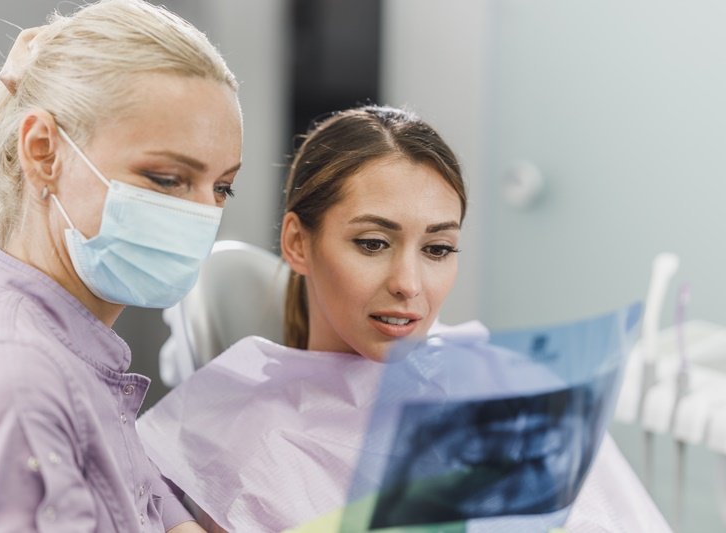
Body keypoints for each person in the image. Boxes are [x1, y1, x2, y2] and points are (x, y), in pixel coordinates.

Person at [137, 106, 673, 533]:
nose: (409, 284)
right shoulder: (243, 439)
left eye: (438, 249)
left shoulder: (512, 389)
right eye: (373, 243)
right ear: (298, 243)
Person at [0, 1, 242, 531]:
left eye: (223, 187)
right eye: (167, 180)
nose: (200, 215)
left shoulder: (78, 368)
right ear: (44, 151)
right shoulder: (12, 391)